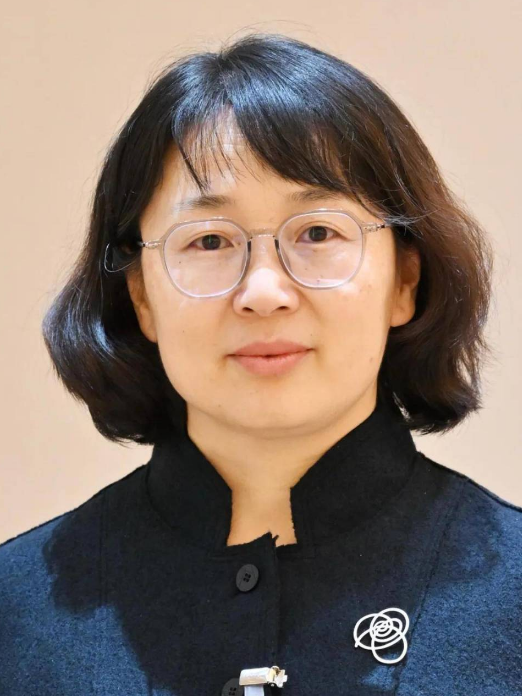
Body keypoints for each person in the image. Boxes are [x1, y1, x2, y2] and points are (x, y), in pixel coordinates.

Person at [1, 31, 520, 696]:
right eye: (209, 241)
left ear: (404, 281)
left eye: (318, 233)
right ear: (142, 297)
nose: (264, 292)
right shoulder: (16, 612)